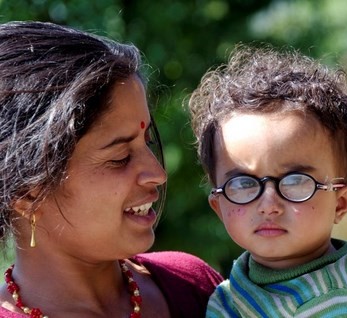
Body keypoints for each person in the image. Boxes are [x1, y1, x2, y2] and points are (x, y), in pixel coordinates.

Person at [0, 21, 223, 318]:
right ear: (27, 192)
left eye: (148, 143)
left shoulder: (193, 287)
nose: (157, 173)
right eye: (120, 157)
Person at [187, 44, 347, 317]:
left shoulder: (345, 304)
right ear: (219, 207)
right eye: (243, 184)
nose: (268, 204)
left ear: (341, 203)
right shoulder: (233, 291)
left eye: (294, 181)